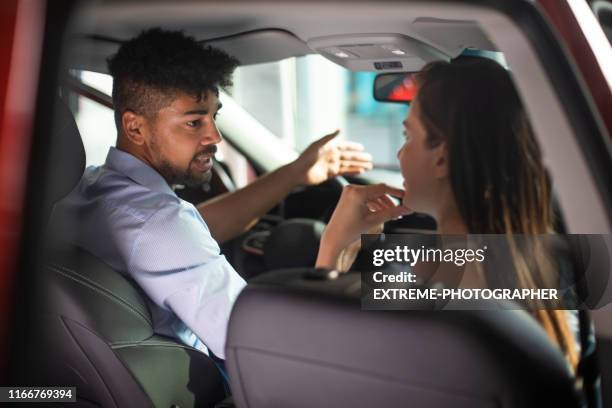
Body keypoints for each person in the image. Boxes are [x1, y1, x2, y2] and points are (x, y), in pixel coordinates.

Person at [50, 28, 373, 363]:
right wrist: (335, 252)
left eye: (214, 117)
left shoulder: (88, 191)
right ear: (135, 127)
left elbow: (183, 233)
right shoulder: (159, 225)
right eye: (194, 123)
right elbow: (268, 347)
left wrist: (294, 173)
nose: (215, 136)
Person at [316, 57, 583, 373]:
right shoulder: (556, 278)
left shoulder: (422, 296)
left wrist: (332, 249)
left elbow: (313, 373)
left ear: (442, 156)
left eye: (408, 137)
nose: (401, 154)